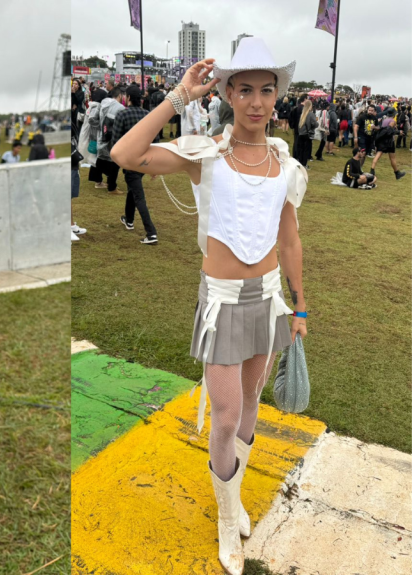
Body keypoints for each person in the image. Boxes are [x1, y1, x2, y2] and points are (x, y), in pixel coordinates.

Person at [111, 39, 308, 575]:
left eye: (267, 90)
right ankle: (227, 518)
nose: (256, 102)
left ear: (276, 97)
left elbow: (289, 239)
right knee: (224, 416)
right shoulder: (205, 152)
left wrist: (301, 305)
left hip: (268, 300)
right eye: (244, 89)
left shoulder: (284, 163)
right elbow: (125, 156)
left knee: (249, 406)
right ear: (226, 92)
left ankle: (235, 497)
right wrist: (177, 98)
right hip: (221, 303)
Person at [111, 85, 158, 244]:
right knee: (133, 187)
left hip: (130, 161)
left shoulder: (122, 114)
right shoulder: (147, 115)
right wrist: (154, 165)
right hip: (144, 161)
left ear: (128, 98)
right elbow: (155, 141)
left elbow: (115, 141)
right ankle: (128, 219)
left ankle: (151, 233)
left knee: (139, 196)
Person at [97, 85, 125, 193]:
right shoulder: (119, 107)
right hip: (112, 137)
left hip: (102, 135)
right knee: (114, 162)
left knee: (104, 159)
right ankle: (112, 186)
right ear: (120, 95)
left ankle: (109, 182)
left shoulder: (104, 103)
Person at [369, 108, 406, 180]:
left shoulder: (384, 120)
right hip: (389, 141)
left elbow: (383, 130)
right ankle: (397, 173)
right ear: (393, 114)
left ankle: (372, 170)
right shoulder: (393, 121)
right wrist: (398, 132)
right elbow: (388, 131)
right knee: (392, 158)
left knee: (378, 155)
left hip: (382, 141)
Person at [295, 100, 316, 167]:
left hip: (301, 133)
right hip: (307, 134)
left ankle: (301, 162)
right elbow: (314, 123)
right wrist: (317, 124)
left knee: (301, 149)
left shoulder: (302, 114)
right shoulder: (310, 114)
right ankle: (304, 164)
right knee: (306, 150)